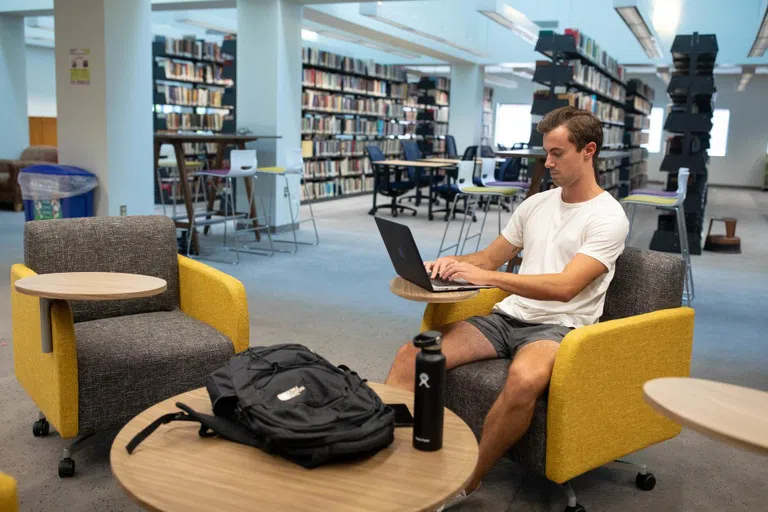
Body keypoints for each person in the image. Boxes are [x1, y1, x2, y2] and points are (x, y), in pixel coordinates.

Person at [384, 106, 629, 508]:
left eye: (557, 153)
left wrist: (489, 278)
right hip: (508, 317)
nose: (547, 163)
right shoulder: (536, 204)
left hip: (560, 327)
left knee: (524, 380)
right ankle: (389, 453)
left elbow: (567, 288)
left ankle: (467, 480)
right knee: (411, 354)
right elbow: (491, 257)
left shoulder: (608, 217)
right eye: (545, 153)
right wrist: (453, 265)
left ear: (588, 151)